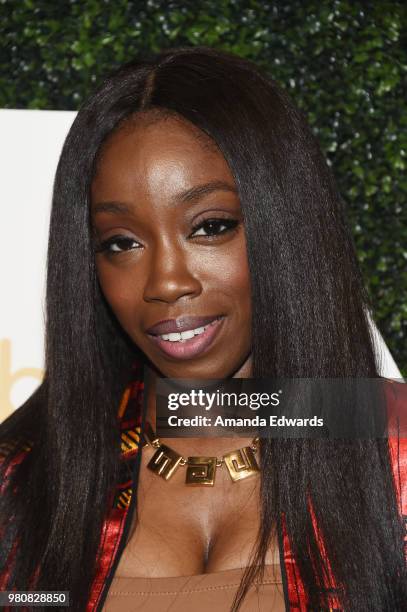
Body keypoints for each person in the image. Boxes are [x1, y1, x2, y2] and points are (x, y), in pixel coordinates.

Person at [0, 46, 406, 612]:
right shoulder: (22, 480)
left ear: (283, 227)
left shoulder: (394, 455)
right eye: (122, 242)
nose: (166, 282)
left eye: (210, 227)